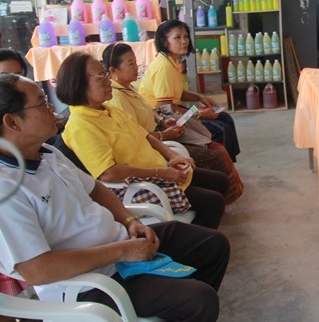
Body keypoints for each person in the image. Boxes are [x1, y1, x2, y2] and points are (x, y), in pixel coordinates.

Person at [0, 73, 229, 321]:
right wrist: (121, 251)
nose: (52, 107)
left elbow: (95, 189)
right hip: (89, 282)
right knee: (199, 299)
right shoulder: (6, 189)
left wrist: (130, 221)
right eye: (42, 102)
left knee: (213, 246)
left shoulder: (47, 153)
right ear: (12, 122)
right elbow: (37, 269)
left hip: (120, 243)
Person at [56, 52, 228, 229]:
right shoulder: (80, 125)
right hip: (141, 185)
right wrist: (161, 173)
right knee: (213, 203)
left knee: (220, 181)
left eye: (106, 74)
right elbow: (109, 173)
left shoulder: (108, 109)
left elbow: (144, 134)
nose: (108, 81)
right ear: (78, 84)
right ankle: (190, 244)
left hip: (159, 170)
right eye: (101, 76)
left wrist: (173, 155)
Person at [102, 43, 243, 205]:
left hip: (161, 129)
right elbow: (140, 133)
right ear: (113, 71)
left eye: (135, 62)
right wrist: (169, 132)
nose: (183, 42)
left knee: (223, 123)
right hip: (155, 141)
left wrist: (162, 120)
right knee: (216, 149)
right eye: (130, 63)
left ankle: (220, 192)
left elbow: (149, 108)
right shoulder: (119, 97)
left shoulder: (130, 86)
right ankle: (217, 196)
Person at [139, 20, 241, 162]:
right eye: (177, 37)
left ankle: (230, 164)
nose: (184, 41)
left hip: (173, 110)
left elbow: (177, 92)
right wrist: (199, 114)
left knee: (225, 117)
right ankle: (223, 165)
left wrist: (199, 97)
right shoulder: (164, 67)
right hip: (163, 119)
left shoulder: (172, 61)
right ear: (164, 41)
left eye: (186, 36)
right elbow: (166, 108)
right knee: (219, 129)